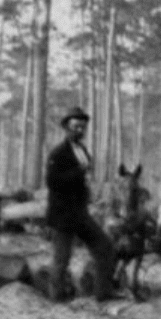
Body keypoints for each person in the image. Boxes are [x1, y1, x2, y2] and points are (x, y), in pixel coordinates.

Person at [46, 106, 117, 301]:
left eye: (83, 127)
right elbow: (53, 182)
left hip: (80, 213)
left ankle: (103, 295)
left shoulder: (83, 150)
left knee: (105, 247)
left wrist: (89, 194)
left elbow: (82, 179)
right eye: (76, 126)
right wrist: (79, 172)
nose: (80, 130)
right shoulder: (58, 153)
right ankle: (56, 301)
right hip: (62, 216)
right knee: (61, 260)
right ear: (67, 127)